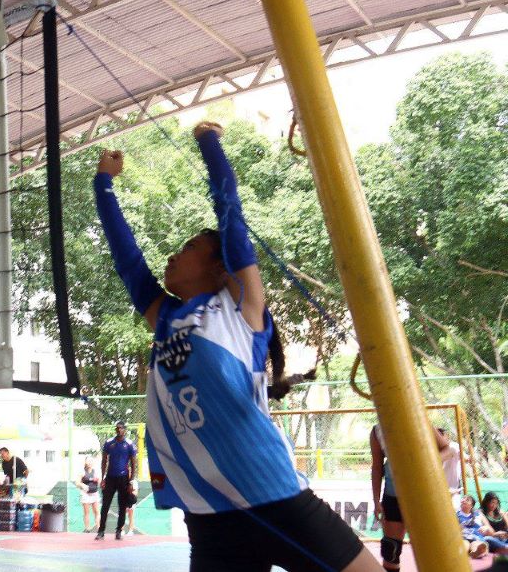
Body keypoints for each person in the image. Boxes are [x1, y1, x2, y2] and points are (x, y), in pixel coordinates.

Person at [93, 127, 379, 572]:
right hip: (211, 517)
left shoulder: (241, 308)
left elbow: (231, 216)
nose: (172, 256)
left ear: (218, 266)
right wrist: (103, 184)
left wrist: (209, 143)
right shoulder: (164, 318)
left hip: (274, 497)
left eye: (188, 248)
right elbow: (126, 257)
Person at [370, 423, 455, 570]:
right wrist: (376, 500)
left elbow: (449, 450)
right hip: (393, 495)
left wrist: (430, 461)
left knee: (431, 548)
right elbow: (377, 466)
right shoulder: (377, 431)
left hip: (423, 496)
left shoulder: (416, 418)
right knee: (391, 549)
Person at [95, 421, 136, 541]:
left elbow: (134, 464)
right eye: (117, 428)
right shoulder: (109, 443)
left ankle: (119, 530)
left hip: (123, 478)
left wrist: (131, 481)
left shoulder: (129, 444)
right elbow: (104, 461)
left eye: (121, 428)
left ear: (125, 430)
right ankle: (101, 531)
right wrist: (103, 478)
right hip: (110, 478)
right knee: (105, 505)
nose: (118, 430)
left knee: (122, 506)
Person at [76, 458, 100, 532]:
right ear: (85, 462)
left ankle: (99, 527)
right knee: (87, 512)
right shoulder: (82, 472)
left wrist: (98, 480)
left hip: (94, 493)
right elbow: (77, 483)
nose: (89, 463)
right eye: (88, 461)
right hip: (85, 494)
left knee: (97, 511)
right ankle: (87, 528)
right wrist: (83, 485)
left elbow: (100, 481)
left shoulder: (95, 472)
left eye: (91, 461)